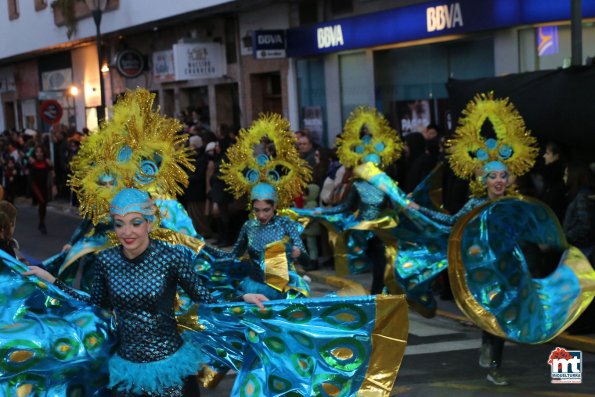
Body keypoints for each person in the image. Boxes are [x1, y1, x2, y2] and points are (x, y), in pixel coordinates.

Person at [24, 188, 268, 397]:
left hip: (170, 372)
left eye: (135, 222)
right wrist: (52, 280)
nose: (127, 232)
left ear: (149, 223)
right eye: (120, 223)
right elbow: (96, 304)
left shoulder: (172, 257)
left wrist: (241, 298)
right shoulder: (106, 260)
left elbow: (205, 299)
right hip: (127, 373)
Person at [294, 107, 407, 292]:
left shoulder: (386, 183)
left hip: (385, 231)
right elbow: (344, 207)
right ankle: (380, 298)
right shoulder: (357, 184)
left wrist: (414, 211)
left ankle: (382, 297)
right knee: (378, 267)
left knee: (385, 269)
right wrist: (317, 212)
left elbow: (399, 204)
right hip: (365, 234)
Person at [209, 114, 313, 299]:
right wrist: (203, 252)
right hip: (255, 288)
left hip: (284, 290)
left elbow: (305, 255)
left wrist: (296, 252)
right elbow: (234, 254)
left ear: (275, 207)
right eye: (257, 210)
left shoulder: (285, 224)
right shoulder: (249, 226)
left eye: (266, 210)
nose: (261, 215)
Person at [563, 162, 595, 257]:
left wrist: (566, 236)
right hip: (579, 245)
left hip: (581, 247)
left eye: (566, 175)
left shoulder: (582, 196)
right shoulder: (579, 194)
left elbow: (585, 225)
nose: (563, 178)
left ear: (574, 176)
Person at [28, 144, 56, 234]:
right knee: (42, 202)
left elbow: (52, 172)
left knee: (43, 205)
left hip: (44, 186)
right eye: (37, 152)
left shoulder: (46, 162)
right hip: (35, 185)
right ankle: (42, 223)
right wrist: (28, 159)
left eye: (40, 152)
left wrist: (54, 186)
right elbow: (24, 160)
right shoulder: (32, 162)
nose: (39, 154)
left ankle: (41, 222)